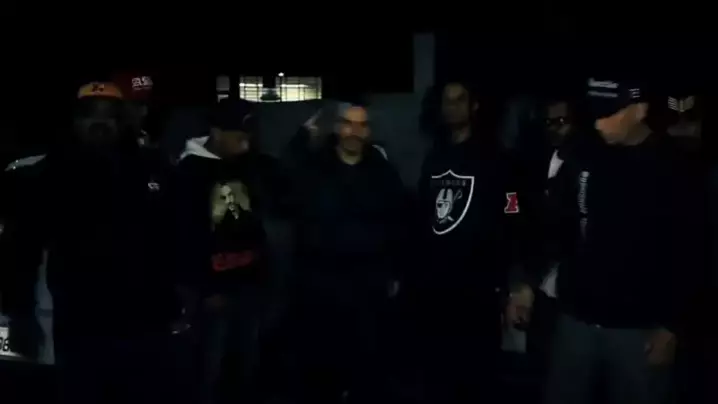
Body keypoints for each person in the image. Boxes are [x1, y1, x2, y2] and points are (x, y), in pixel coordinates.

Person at [0, 82, 183, 403]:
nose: (100, 122)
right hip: (81, 323)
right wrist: (20, 315)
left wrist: (179, 298)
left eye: (109, 115)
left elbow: (173, 237)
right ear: (75, 120)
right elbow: (21, 250)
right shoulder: (47, 175)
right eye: (89, 114)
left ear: (121, 120)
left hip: (146, 320)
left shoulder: (153, 168)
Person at [543, 77, 699, 404]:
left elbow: (693, 250)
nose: (599, 122)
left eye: (610, 113)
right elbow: (555, 223)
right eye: (595, 112)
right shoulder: (582, 153)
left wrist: (673, 324)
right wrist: (528, 278)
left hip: (638, 328)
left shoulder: (675, 167)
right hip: (576, 318)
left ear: (640, 109)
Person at [278, 101, 409, 404]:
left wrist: (395, 271)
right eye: (348, 123)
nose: (354, 131)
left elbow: (398, 223)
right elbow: (281, 191)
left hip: (367, 287)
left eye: (361, 125)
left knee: (366, 368)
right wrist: (300, 141)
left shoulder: (383, 173)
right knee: (321, 370)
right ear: (337, 127)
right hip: (321, 288)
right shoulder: (314, 169)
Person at [416, 81, 537, 404]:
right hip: (436, 291)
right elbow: (424, 217)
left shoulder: (495, 159)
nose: (452, 107)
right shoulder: (434, 158)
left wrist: (516, 279)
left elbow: (514, 218)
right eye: (447, 101)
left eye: (460, 100)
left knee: (477, 379)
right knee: (437, 379)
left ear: (474, 106)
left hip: (478, 292)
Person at [173, 97, 288, 404]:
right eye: (239, 134)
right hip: (212, 294)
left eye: (249, 133)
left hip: (249, 286)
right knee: (208, 371)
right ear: (217, 132)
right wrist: (206, 288)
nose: (246, 141)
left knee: (245, 368)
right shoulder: (189, 173)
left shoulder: (249, 165)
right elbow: (184, 237)